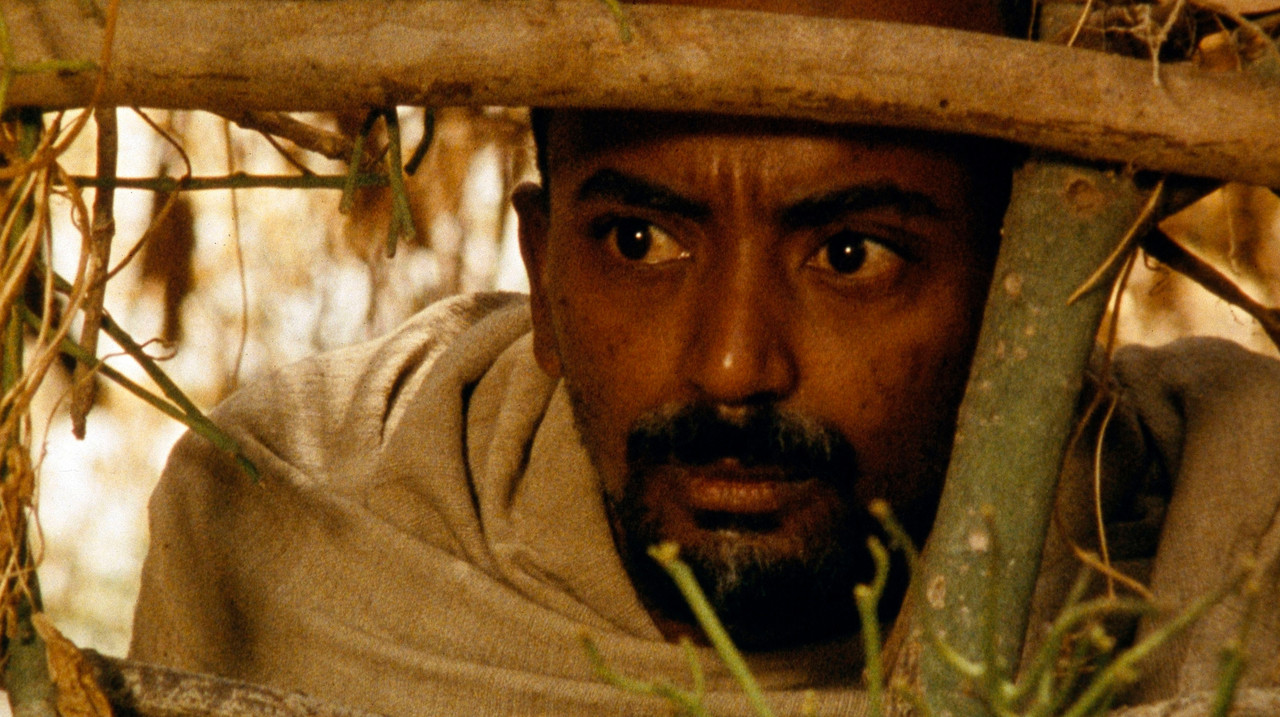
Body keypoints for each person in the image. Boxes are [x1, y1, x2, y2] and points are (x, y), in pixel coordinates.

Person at [129, 0, 1280, 714]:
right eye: (639, 242)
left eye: (849, 254)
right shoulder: (289, 517)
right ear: (543, 275)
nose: (732, 366)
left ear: (1011, 287)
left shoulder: (1229, 528)